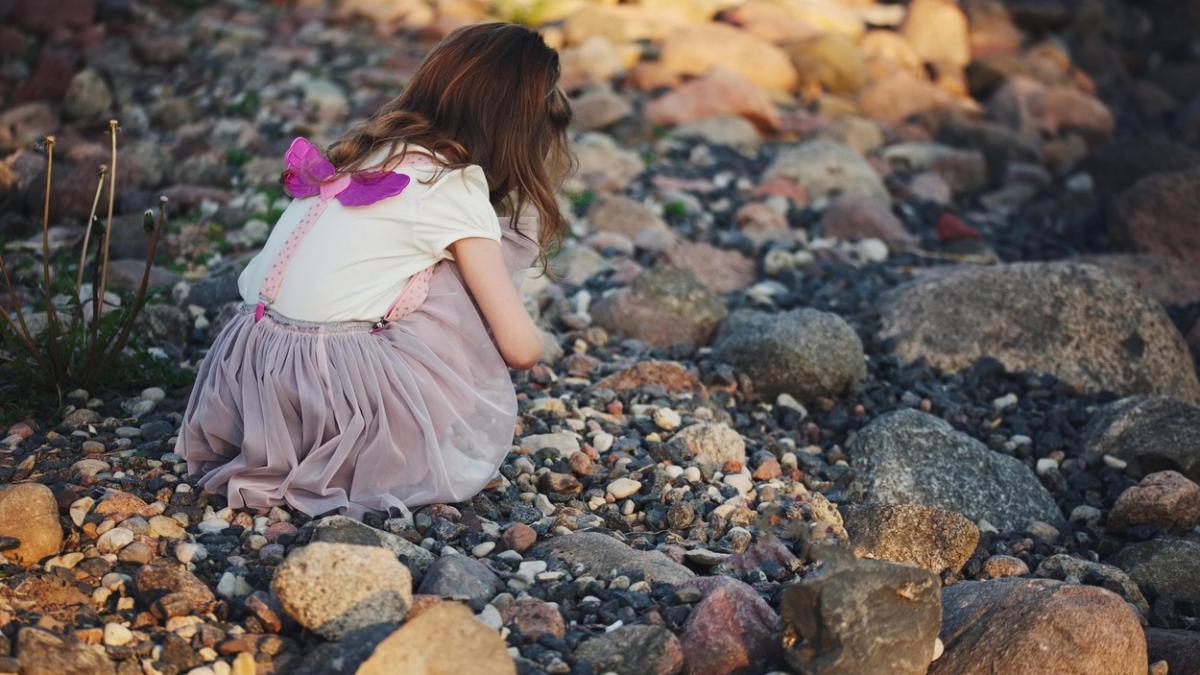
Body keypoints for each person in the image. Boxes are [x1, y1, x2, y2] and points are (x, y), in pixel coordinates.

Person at [175, 22, 572, 519]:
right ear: (519, 125)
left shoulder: (364, 153)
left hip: (246, 374)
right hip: (326, 391)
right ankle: (366, 450)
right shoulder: (452, 184)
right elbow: (521, 350)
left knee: (427, 262)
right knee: (478, 256)